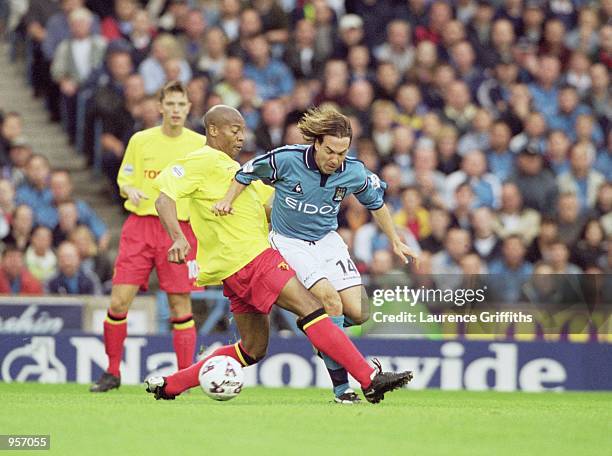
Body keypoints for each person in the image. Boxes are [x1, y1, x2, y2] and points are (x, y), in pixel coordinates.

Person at [148, 105, 412, 404]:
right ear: (213, 130)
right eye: (234, 131)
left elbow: (271, 206)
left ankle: (169, 385)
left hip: (235, 269)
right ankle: (368, 378)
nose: (241, 137)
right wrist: (178, 237)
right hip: (251, 258)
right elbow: (164, 198)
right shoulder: (200, 160)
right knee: (316, 309)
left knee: (252, 349)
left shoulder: (233, 170)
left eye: (243, 131)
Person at [90, 81, 206, 393]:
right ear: (160, 107)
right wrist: (130, 188)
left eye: (181, 105)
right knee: (118, 300)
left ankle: (184, 378)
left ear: (189, 108)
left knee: (180, 304)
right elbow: (125, 178)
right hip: (141, 225)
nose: (176, 110)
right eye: (170, 104)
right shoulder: (141, 141)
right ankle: (112, 372)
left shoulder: (199, 145)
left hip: (179, 230)